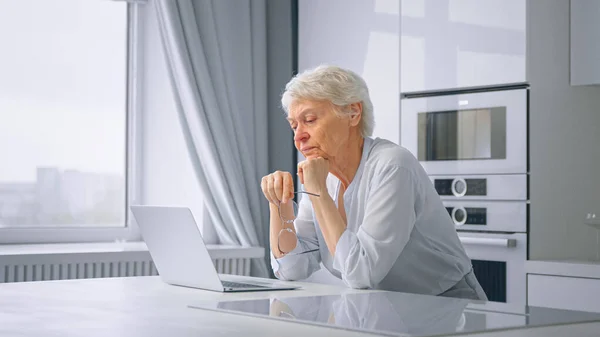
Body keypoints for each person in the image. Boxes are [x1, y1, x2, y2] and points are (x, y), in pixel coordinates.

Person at [260, 65, 487, 300]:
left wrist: (318, 192)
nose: (298, 136)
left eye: (309, 120)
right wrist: (279, 204)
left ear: (353, 113)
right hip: (386, 306)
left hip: (446, 305)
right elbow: (291, 269)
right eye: (294, 125)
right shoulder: (322, 175)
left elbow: (361, 272)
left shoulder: (393, 165)